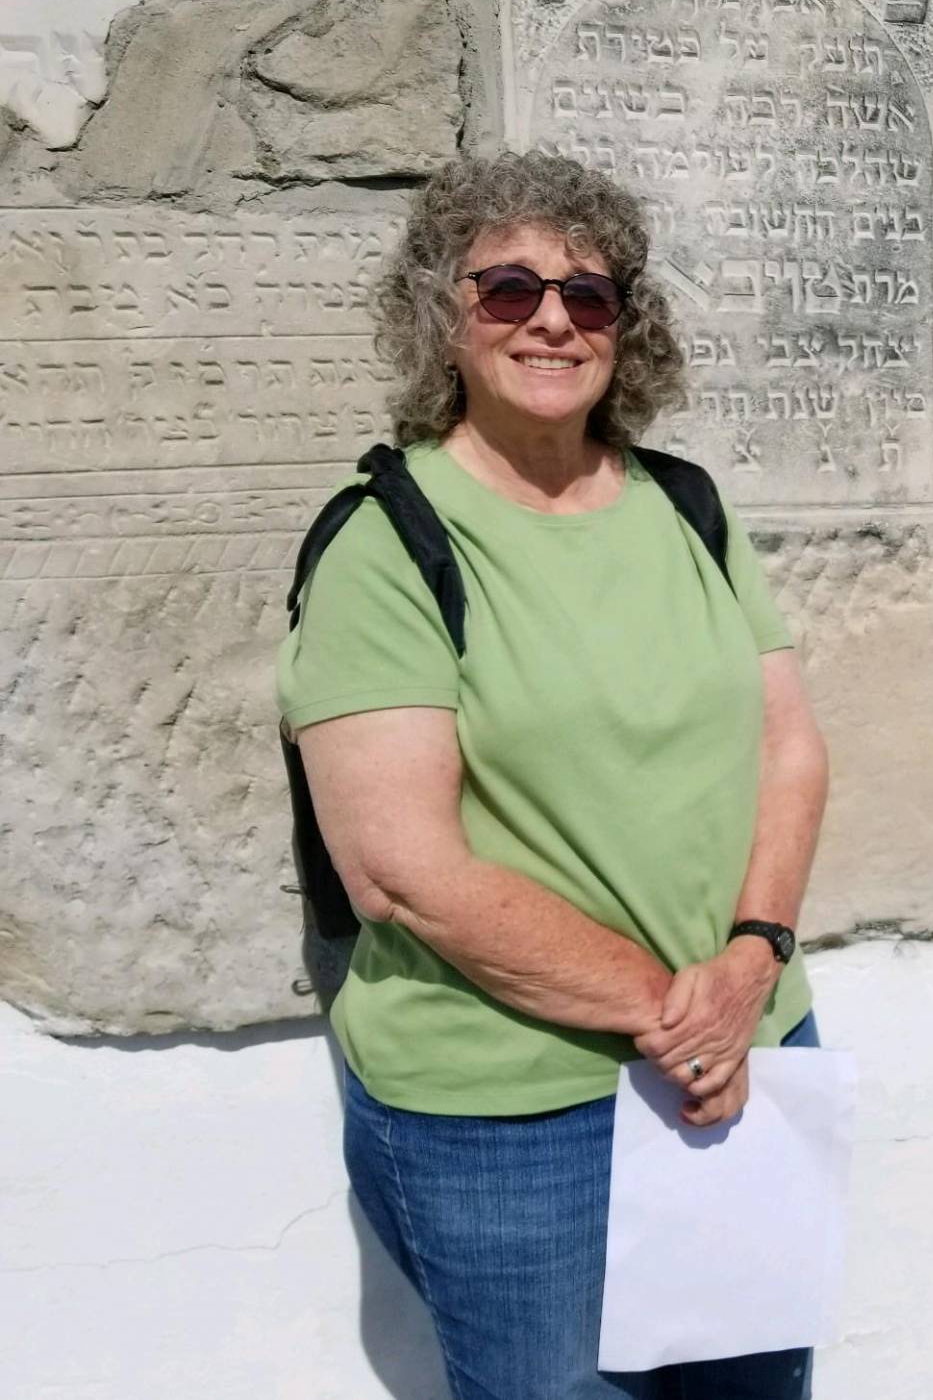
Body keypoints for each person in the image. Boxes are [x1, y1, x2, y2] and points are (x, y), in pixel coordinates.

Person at [278, 151, 830, 1400]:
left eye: (588, 295)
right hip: (517, 1114)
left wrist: (751, 964)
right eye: (508, 288)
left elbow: (789, 745)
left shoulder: (686, 506)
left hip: (744, 1052)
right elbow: (401, 873)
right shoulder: (387, 543)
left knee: (753, 1388)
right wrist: (678, 1015)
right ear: (444, 313)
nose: (550, 320)